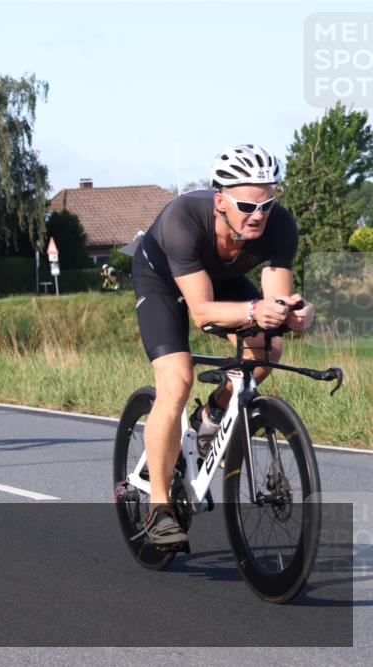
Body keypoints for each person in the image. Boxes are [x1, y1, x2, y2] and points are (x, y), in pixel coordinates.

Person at [130, 144, 314, 547]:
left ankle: (212, 415)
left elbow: (276, 301)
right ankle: (158, 508)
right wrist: (254, 309)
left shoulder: (280, 225)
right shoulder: (183, 219)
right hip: (162, 280)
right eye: (247, 206)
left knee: (267, 350)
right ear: (220, 201)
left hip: (221, 278)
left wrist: (296, 314)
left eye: (266, 205)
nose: (258, 215)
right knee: (177, 381)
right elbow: (202, 313)